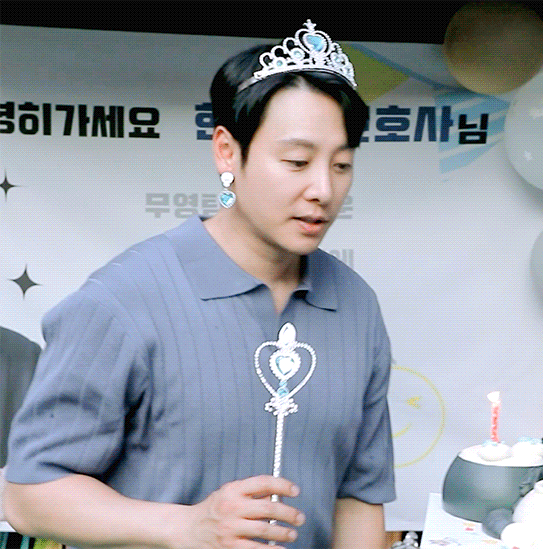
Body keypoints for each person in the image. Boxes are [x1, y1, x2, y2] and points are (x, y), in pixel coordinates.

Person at [3, 21, 395, 549]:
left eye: (342, 165)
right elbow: (28, 495)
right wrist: (185, 526)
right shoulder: (122, 300)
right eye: (297, 162)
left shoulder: (355, 305)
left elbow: (358, 496)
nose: (323, 189)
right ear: (227, 152)